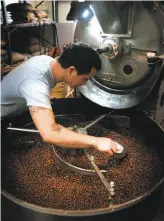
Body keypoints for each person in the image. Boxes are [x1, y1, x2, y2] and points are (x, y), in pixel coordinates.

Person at [1, 42, 119, 156]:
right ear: (71, 70)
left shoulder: (48, 62)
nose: (84, 84)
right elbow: (49, 133)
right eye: (85, 78)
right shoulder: (35, 84)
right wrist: (96, 142)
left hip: (17, 106)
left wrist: (41, 98)